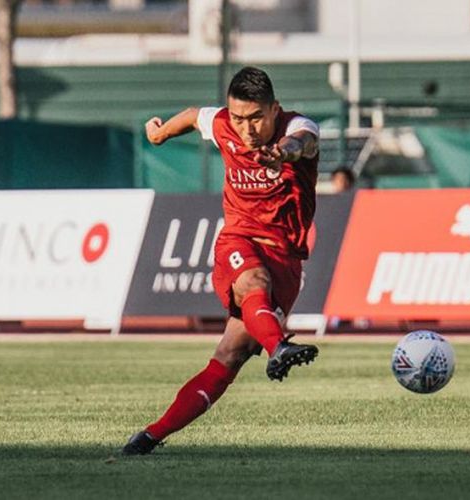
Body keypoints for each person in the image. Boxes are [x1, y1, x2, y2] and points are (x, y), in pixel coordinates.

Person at [122, 66, 321, 456]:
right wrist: (160, 133)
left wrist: (283, 151)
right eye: (239, 118)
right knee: (252, 280)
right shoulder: (224, 123)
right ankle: (279, 345)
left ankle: (149, 436)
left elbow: (306, 142)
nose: (247, 129)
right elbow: (196, 116)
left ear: (274, 109)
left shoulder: (296, 126)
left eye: (256, 118)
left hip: (286, 256)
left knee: (229, 356)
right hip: (239, 238)